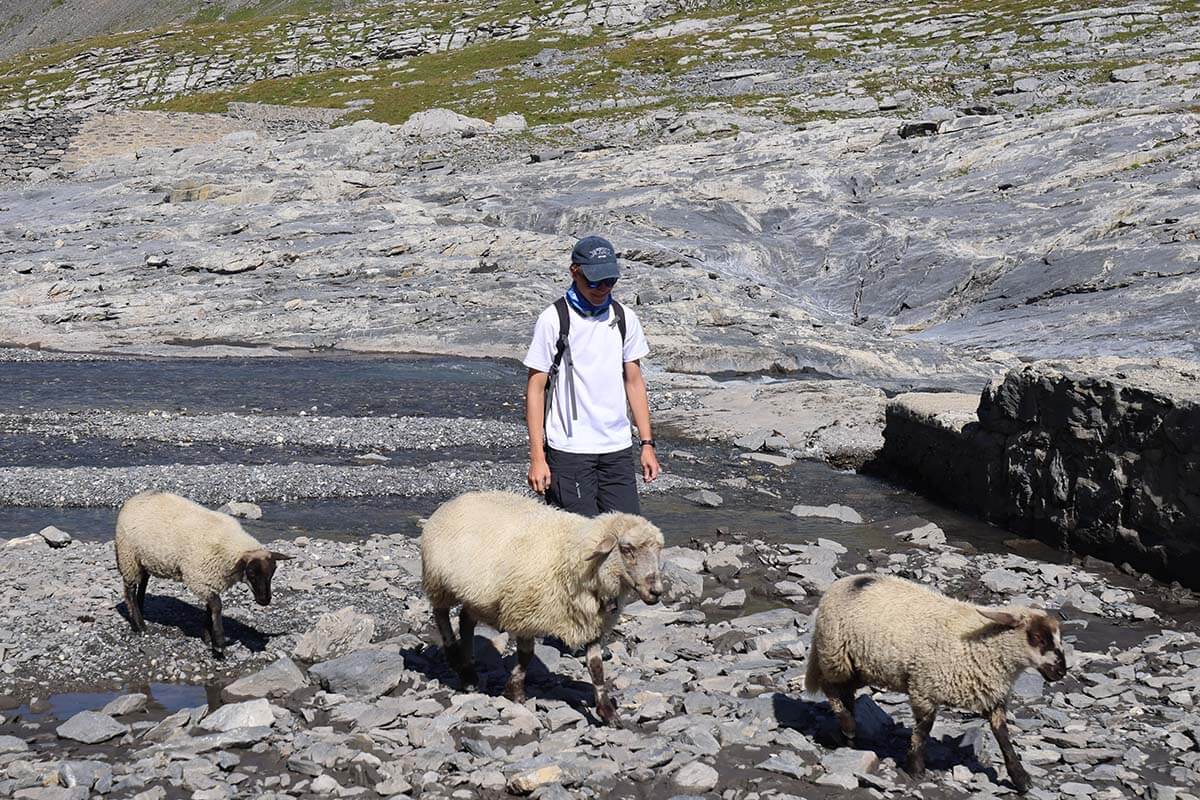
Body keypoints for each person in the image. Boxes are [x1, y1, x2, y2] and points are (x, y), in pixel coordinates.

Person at [523, 235, 660, 516]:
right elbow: (536, 389)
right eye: (594, 281)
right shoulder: (553, 319)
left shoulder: (624, 318)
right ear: (575, 271)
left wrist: (647, 444)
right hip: (569, 451)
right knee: (579, 544)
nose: (602, 288)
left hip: (617, 449)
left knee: (625, 537)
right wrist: (537, 457)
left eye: (610, 281)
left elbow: (633, 382)